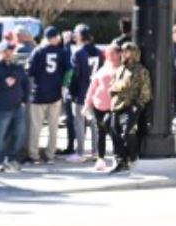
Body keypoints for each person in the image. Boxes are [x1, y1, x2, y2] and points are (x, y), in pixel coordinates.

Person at [24, 27, 70, 164]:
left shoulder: (38, 51)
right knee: (53, 127)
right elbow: (68, 68)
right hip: (55, 94)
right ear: (54, 37)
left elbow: (29, 71)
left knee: (36, 127)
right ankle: (50, 155)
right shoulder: (61, 52)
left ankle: (34, 155)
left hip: (38, 94)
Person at [0, 41, 31, 172]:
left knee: (19, 133)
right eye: (6, 51)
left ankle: (12, 159)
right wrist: (4, 84)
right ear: (0, 52)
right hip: (1, 106)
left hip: (17, 106)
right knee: (0, 136)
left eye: (10, 51)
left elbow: (26, 83)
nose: (8, 54)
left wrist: (24, 99)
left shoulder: (17, 67)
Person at [108, 41, 152, 175]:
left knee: (127, 133)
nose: (124, 53)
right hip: (117, 105)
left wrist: (138, 105)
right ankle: (121, 161)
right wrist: (113, 91)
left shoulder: (140, 70)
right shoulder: (120, 69)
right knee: (115, 132)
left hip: (131, 105)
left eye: (127, 50)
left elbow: (146, 91)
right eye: (123, 50)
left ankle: (132, 156)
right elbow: (112, 85)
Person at [85, 42, 122, 171]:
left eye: (113, 53)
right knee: (100, 132)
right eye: (108, 54)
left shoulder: (123, 68)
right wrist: (87, 104)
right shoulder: (103, 68)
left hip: (114, 106)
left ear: (119, 54)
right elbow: (92, 87)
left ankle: (117, 157)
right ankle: (100, 159)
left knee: (113, 131)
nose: (110, 56)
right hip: (98, 104)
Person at [64, 24, 99, 162]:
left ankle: (80, 153)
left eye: (76, 33)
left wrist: (71, 94)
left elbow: (74, 76)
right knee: (95, 124)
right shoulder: (97, 51)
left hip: (81, 93)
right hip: (95, 93)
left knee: (79, 123)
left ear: (80, 36)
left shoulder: (78, 53)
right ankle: (96, 152)